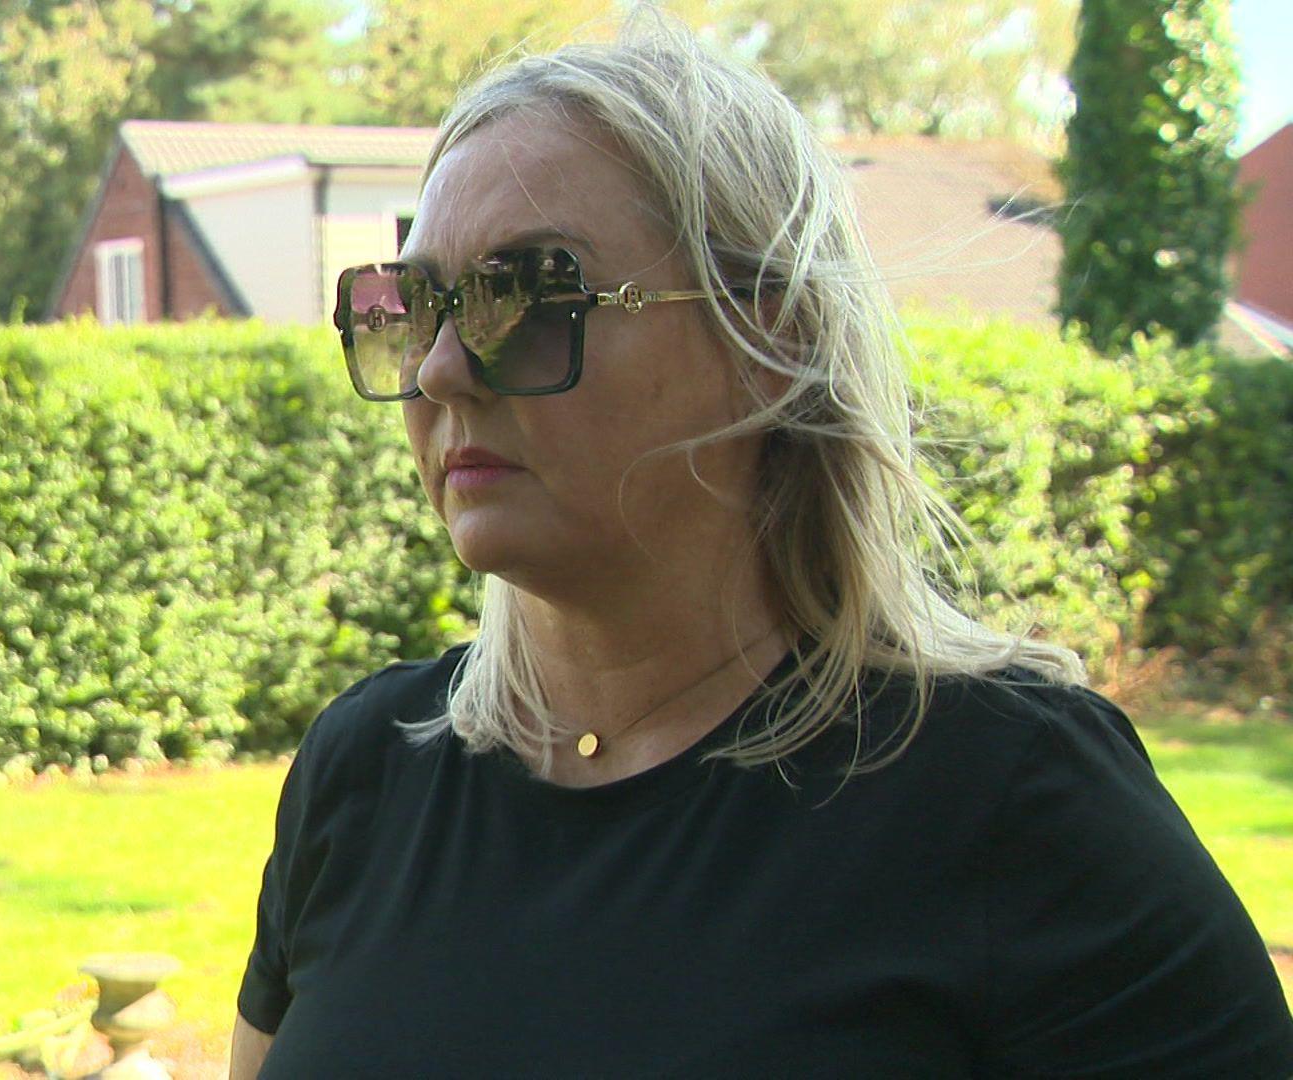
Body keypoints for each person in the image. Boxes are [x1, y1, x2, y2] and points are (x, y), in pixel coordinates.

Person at [228, 13, 1293, 1080]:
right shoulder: (366, 769)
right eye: (411, 307)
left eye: (532, 297)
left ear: (769, 342)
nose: (442, 370)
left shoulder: (1009, 802)